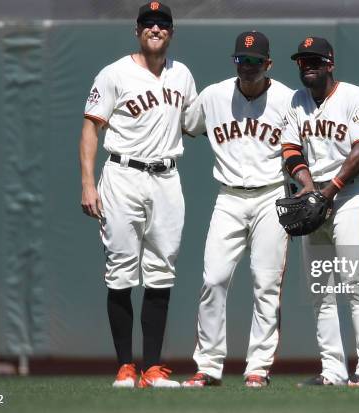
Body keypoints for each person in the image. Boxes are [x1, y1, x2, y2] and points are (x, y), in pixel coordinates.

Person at [79, 1, 197, 388]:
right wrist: (87, 182)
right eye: (148, 23)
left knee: (162, 271)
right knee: (121, 271)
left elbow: (193, 122)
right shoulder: (114, 73)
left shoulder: (182, 75)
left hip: (166, 177)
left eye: (162, 24)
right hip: (123, 175)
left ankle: (153, 368)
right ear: (137, 31)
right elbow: (91, 129)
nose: (155, 29)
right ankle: (125, 367)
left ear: (171, 32)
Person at [180, 31, 293, 388]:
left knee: (266, 284)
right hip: (228, 196)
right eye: (241, 61)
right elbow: (185, 125)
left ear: (268, 64)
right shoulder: (213, 95)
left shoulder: (289, 100)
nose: (247, 67)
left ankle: (258, 367)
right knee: (213, 279)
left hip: (272, 195)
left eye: (255, 62)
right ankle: (209, 366)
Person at [281, 37, 359, 387]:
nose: (308, 65)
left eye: (315, 60)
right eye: (302, 60)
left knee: (356, 283)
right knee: (320, 290)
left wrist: (329, 191)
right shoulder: (297, 101)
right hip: (317, 197)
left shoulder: (354, 96)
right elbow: (291, 150)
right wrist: (309, 189)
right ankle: (333, 371)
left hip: (351, 197)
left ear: (330, 63)